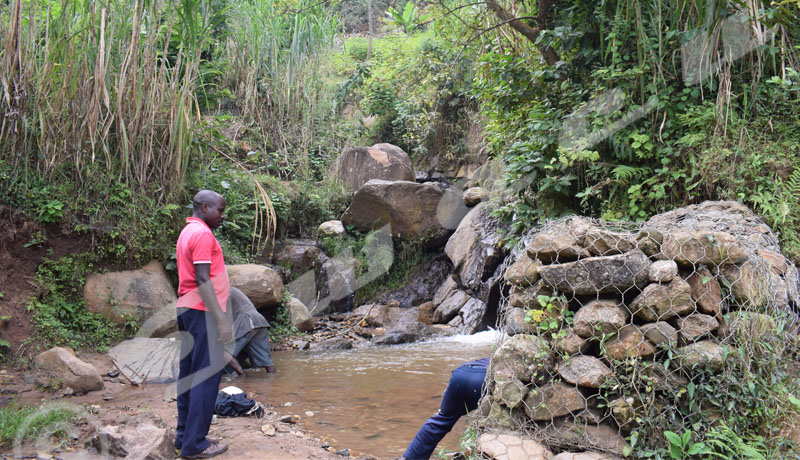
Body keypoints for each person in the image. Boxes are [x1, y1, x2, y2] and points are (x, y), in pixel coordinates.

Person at [174, 190, 232, 459]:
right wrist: (220, 319)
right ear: (205, 207)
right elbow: (202, 279)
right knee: (206, 377)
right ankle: (195, 444)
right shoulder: (201, 235)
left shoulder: (188, 231)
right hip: (201, 311)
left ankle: (184, 436)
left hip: (188, 307)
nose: (222, 216)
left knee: (189, 373)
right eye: (220, 210)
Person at [400, 358, 489, 460]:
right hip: (483, 378)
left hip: (460, 375)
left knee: (442, 420)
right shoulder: (504, 362)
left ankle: (410, 457)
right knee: (491, 420)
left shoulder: (486, 359)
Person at [226, 287, 276, 373]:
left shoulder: (220, 291)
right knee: (266, 361)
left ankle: (242, 376)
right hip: (260, 321)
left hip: (247, 321)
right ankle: (274, 380)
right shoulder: (232, 289)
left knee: (225, 352)